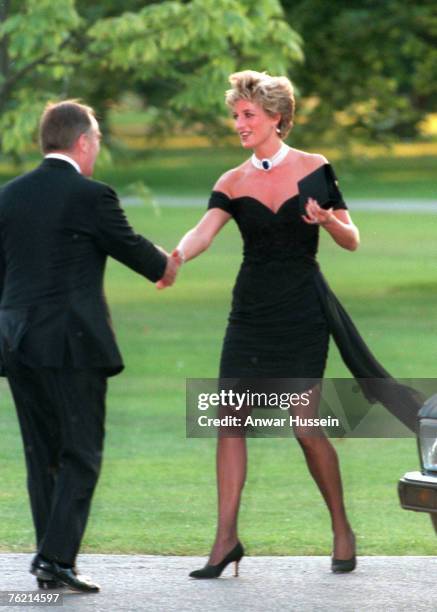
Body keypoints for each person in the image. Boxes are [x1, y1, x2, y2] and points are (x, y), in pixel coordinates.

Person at [159, 70, 421, 579]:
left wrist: (329, 221)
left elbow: (352, 240)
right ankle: (225, 540)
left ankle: (342, 529)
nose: (239, 123)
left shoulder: (315, 168)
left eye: (248, 115)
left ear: (276, 118)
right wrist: (177, 256)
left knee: (305, 427)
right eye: (235, 115)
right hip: (250, 313)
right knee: (228, 420)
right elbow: (203, 232)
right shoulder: (231, 181)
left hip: (301, 309)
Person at [0, 100, 181, 592]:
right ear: (82, 142)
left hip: (16, 343)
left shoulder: (9, 196)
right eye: (97, 140)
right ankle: (55, 560)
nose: (97, 149)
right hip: (72, 344)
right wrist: (169, 262)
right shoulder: (90, 195)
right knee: (81, 451)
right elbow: (137, 252)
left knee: (43, 456)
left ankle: (50, 563)